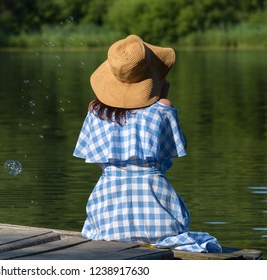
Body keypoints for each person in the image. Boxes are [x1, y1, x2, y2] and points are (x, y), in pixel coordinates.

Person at [73, 35, 222, 252]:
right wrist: (163, 98)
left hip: (108, 218)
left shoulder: (95, 111)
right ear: (151, 75)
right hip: (158, 218)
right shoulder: (163, 108)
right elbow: (177, 148)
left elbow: (100, 163)